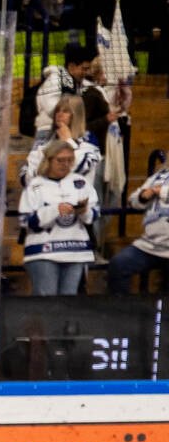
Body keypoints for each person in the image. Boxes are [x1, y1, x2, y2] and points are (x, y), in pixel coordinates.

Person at [20, 138, 97, 296]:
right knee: (46, 302)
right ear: (49, 160)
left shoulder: (81, 182)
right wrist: (55, 210)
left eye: (70, 160)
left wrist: (83, 211)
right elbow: (25, 221)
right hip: (43, 252)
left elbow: (94, 214)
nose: (65, 164)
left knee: (68, 303)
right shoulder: (35, 185)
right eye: (60, 160)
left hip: (76, 251)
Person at [107, 150, 168, 295]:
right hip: (149, 245)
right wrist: (143, 196)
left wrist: (162, 192)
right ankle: (121, 312)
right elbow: (133, 200)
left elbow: (159, 191)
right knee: (119, 264)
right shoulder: (158, 176)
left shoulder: (159, 185)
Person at [22, 94, 102, 190]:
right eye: (57, 111)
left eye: (65, 111)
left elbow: (79, 168)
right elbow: (24, 176)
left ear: (76, 115)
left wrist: (68, 142)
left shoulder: (89, 140)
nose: (59, 114)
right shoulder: (45, 141)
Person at [32, 43, 94, 142]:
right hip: (48, 132)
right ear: (72, 67)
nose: (87, 73)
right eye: (84, 69)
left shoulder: (76, 82)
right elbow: (52, 109)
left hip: (67, 131)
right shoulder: (54, 80)